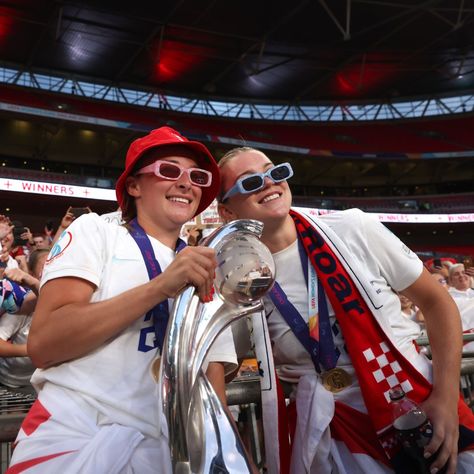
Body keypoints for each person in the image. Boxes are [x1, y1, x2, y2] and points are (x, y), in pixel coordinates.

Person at [217, 147, 474, 474]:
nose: (269, 184)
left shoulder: (352, 228)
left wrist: (447, 398)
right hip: (331, 432)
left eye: (276, 172)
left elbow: (437, 303)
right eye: (250, 182)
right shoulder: (234, 276)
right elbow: (224, 367)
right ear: (226, 211)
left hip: (414, 399)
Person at [8, 127, 238, 473]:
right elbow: (44, 343)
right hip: (77, 434)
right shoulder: (95, 231)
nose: (186, 183)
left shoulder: (205, 265)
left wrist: (220, 455)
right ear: (133, 186)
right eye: (169, 170)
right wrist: (160, 286)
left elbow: (211, 376)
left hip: (169, 449)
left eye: (197, 176)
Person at [0, 249, 48, 393]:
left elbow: (37, 300)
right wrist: (31, 350)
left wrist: (33, 283)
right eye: (46, 270)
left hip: (41, 382)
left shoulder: (9, 293)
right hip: (10, 380)